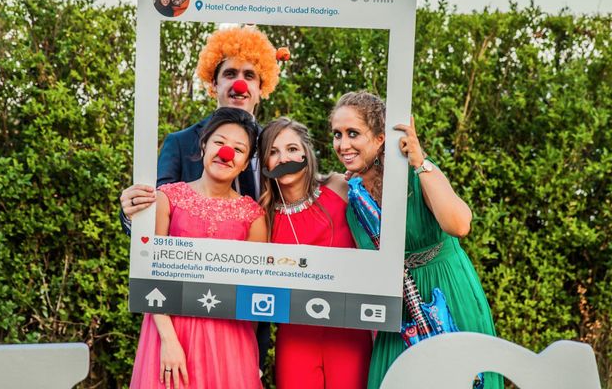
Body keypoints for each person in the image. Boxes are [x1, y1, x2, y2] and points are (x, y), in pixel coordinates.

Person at [120, 25, 281, 373]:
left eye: (249, 75)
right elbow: (152, 220)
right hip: (179, 312)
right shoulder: (181, 142)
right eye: (230, 74)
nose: (239, 83)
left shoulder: (275, 147)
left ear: (261, 87)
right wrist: (131, 213)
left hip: (241, 322)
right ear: (214, 84)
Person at [330, 91, 503, 389]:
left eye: (353, 133)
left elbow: (460, 225)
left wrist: (420, 161)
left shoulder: (415, 172)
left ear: (380, 138)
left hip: (446, 292)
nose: (343, 144)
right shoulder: (353, 197)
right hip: (398, 313)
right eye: (337, 134)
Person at [130, 107, 267, 389]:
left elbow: (255, 292)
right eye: (219, 142)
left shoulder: (253, 216)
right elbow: (150, 272)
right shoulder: (168, 198)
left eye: (238, 149)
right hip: (169, 330)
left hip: (230, 338)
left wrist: (247, 355)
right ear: (203, 146)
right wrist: (167, 340)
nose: (226, 152)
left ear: (244, 164)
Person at [258, 117, 372, 389]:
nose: (283, 158)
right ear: (264, 162)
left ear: (306, 152)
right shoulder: (261, 216)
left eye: (291, 149)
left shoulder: (340, 187)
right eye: (273, 152)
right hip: (296, 336)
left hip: (349, 331)